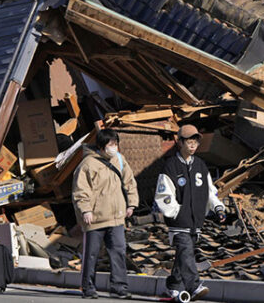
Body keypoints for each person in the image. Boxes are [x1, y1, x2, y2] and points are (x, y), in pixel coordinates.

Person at [154, 125, 226, 302]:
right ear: (180, 143)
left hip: (196, 221)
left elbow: (210, 191)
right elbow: (164, 194)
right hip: (179, 221)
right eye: (189, 142)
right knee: (186, 251)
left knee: (183, 255)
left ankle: (174, 285)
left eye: (195, 142)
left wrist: (218, 207)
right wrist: (176, 212)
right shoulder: (170, 166)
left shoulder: (201, 166)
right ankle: (194, 286)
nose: (193, 145)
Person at [72, 129, 139, 299]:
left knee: (118, 251)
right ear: (101, 147)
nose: (114, 148)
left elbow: (129, 182)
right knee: (91, 253)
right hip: (95, 218)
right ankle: (88, 287)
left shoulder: (120, 160)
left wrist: (131, 203)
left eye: (115, 144)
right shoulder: (87, 164)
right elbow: (81, 190)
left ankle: (119, 287)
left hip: (116, 216)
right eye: (110, 145)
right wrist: (85, 210)